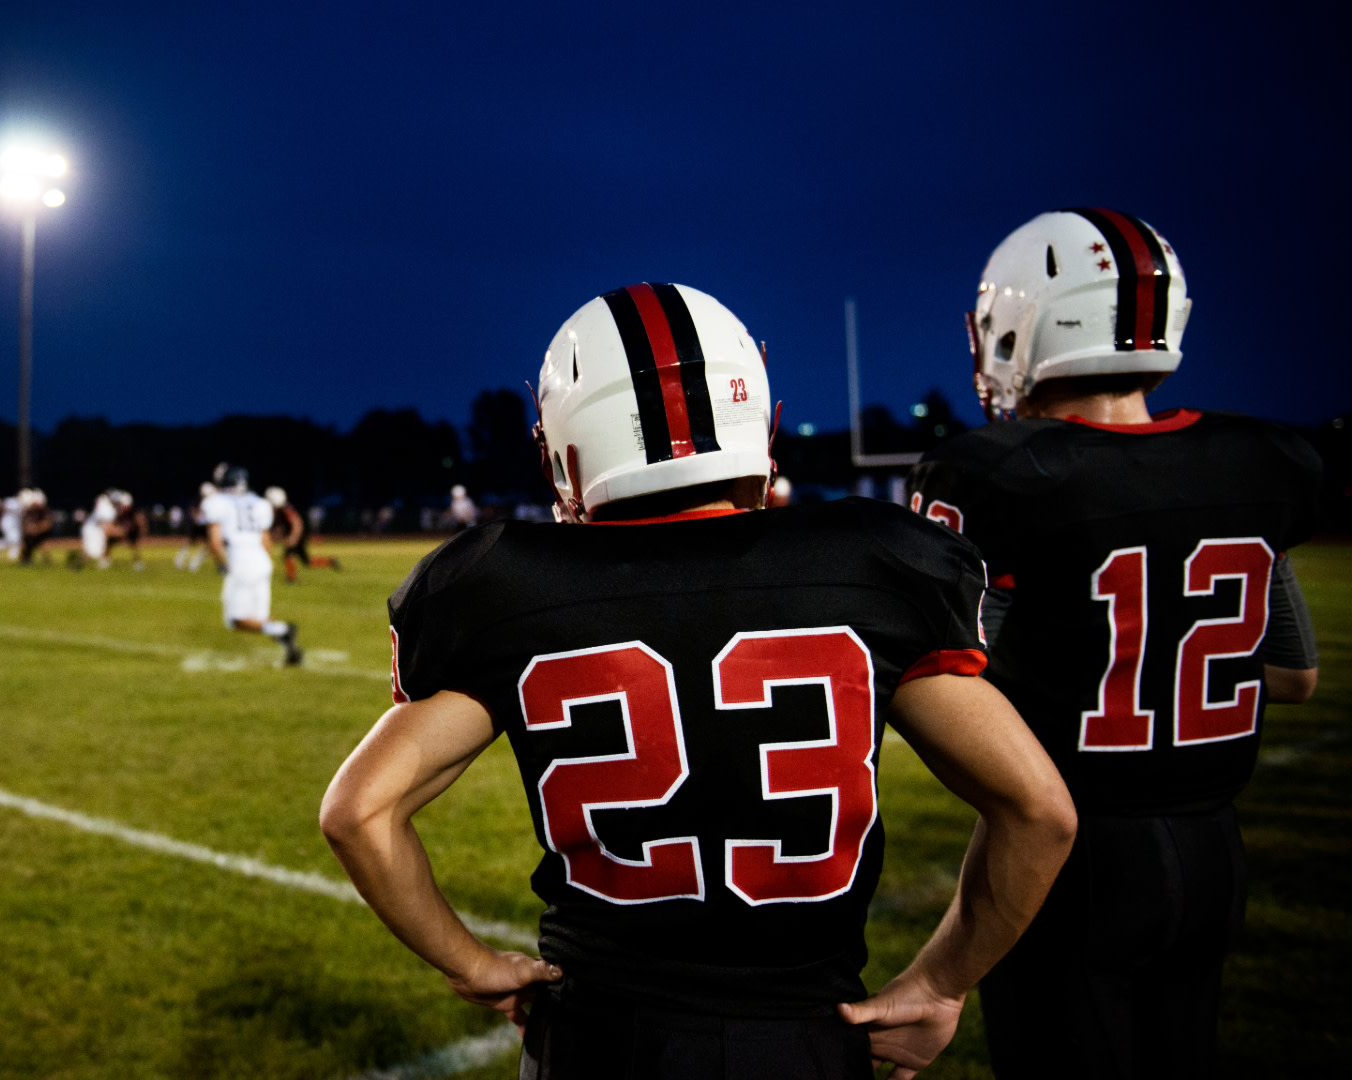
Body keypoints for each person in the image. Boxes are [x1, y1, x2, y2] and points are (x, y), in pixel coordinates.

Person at [320, 283, 1078, 1080]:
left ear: (565, 451)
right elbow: (1040, 811)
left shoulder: (506, 588)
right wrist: (938, 985)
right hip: (803, 1038)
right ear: (763, 428)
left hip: (597, 1038)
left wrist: (469, 963)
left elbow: (358, 812)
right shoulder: (870, 568)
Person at [906, 208, 1322, 1080]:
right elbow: (1293, 674)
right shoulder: (1257, 458)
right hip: (1214, 852)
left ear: (1025, 325)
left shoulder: (996, 473)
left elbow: (951, 673)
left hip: (1071, 858)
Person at [202, 466, 302, 666]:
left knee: (235, 619)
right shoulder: (259, 503)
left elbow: (214, 540)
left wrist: (221, 564)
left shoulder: (216, 502)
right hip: (261, 561)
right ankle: (289, 650)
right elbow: (266, 541)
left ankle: (283, 630)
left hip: (241, 561)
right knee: (260, 617)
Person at [266, 486, 338, 583]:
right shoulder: (280, 510)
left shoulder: (286, 509)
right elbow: (282, 528)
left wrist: (293, 538)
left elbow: (297, 523)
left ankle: (291, 578)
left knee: (288, 555)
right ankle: (330, 561)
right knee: (307, 562)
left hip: (298, 535)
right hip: (297, 535)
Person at [175, 482, 215, 572]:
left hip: (205, 525)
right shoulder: (200, 501)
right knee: (189, 542)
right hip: (198, 525)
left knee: (209, 546)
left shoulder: (209, 501)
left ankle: (194, 562)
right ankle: (180, 559)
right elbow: (194, 511)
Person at [77, 489, 118, 570]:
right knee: (95, 550)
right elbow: (105, 524)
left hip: (92, 527)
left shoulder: (105, 504)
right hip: (93, 529)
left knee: (93, 550)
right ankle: (81, 563)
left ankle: (80, 563)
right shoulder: (108, 508)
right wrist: (117, 531)